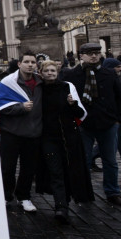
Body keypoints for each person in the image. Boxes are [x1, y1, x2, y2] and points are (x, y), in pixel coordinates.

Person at [64, 43, 121, 207]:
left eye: (96, 53)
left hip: (107, 122)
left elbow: (120, 96)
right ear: (81, 55)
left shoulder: (109, 73)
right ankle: (83, 192)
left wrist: (119, 118)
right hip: (83, 123)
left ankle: (112, 192)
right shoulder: (71, 74)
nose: (93, 56)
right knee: (83, 160)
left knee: (110, 161)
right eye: (89, 53)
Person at [36, 60, 94, 223]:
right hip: (47, 138)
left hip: (68, 137)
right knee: (55, 171)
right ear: (41, 72)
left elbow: (80, 113)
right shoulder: (38, 89)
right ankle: (61, 207)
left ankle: (69, 199)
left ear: (58, 72)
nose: (50, 73)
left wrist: (73, 104)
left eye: (53, 71)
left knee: (70, 169)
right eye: (47, 71)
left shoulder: (67, 87)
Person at [0, 51, 43, 212]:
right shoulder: (8, 83)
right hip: (11, 133)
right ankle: (6, 196)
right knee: (8, 167)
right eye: (26, 61)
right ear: (19, 64)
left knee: (29, 168)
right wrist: (20, 108)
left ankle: (24, 197)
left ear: (36, 65)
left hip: (33, 132)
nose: (30, 65)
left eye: (33, 62)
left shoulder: (41, 82)